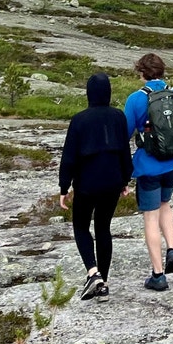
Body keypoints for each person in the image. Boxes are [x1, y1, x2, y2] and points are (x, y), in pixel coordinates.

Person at [122, 53, 173, 291]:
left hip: (148, 166)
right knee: (166, 204)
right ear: (162, 71)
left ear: (142, 72)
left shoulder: (135, 99)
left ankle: (158, 275)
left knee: (150, 217)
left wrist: (122, 172)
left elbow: (123, 136)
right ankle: (172, 249)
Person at [58, 71, 133, 300]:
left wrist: (64, 187)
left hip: (86, 185)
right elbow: (124, 152)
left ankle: (93, 272)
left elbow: (69, 157)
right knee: (103, 228)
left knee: (81, 227)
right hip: (112, 183)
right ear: (108, 93)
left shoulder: (80, 120)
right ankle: (104, 282)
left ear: (88, 93)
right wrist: (125, 180)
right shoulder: (119, 117)